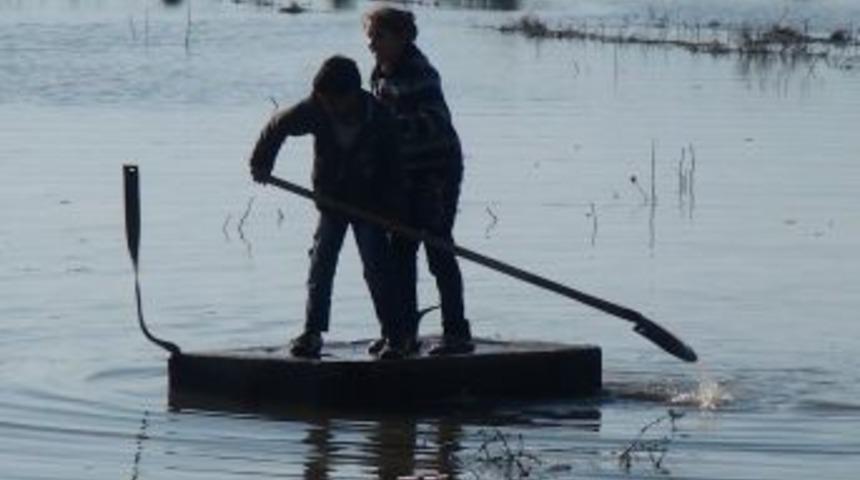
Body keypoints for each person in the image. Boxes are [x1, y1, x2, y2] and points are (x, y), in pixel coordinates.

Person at [248, 55, 408, 359]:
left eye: (335, 101)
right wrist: (261, 163)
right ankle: (312, 333)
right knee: (321, 265)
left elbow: (395, 173)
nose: (330, 107)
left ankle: (395, 336)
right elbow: (276, 127)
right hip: (331, 201)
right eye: (324, 100)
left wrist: (391, 213)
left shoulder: (380, 119)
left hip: (369, 205)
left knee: (377, 267)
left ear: (352, 94)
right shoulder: (314, 109)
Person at [364, 7, 474, 355]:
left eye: (379, 36)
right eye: (370, 36)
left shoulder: (421, 74)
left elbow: (436, 122)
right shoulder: (379, 73)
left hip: (436, 172)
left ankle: (456, 333)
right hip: (404, 174)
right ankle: (404, 333)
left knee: (438, 248)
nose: (372, 44)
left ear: (402, 37)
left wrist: (390, 126)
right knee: (401, 251)